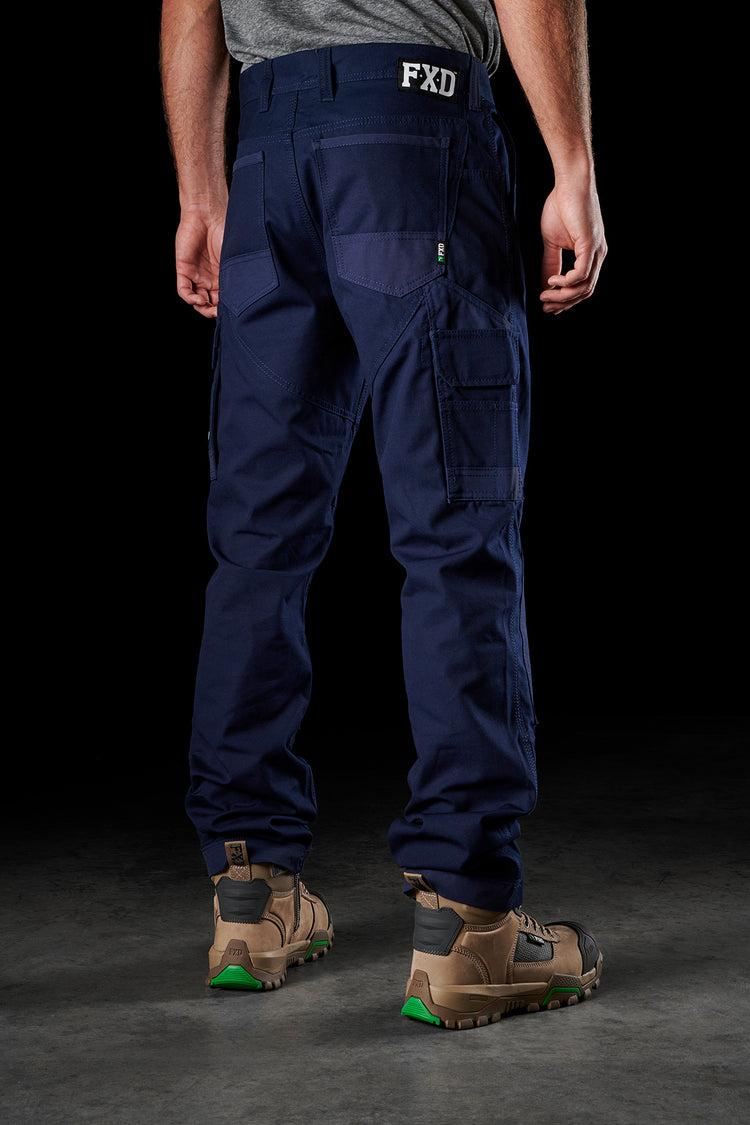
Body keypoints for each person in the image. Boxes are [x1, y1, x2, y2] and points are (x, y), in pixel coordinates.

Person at [161, 0, 607, 1028]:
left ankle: (249, 896)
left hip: (268, 153)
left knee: (257, 544)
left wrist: (201, 187)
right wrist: (572, 164)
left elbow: (192, 5)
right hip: (415, 135)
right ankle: (470, 922)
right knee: (456, 530)